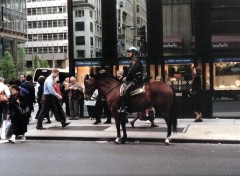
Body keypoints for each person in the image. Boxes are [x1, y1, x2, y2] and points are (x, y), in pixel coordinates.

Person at [118, 46, 143, 114]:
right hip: (133, 79)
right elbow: (129, 71)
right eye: (128, 52)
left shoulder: (135, 60)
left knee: (126, 91)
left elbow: (131, 71)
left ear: (134, 53)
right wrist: (124, 76)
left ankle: (126, 107)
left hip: (135, 81)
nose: (128, 54)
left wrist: (126, 78)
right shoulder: (133, 60)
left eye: (130, 52)